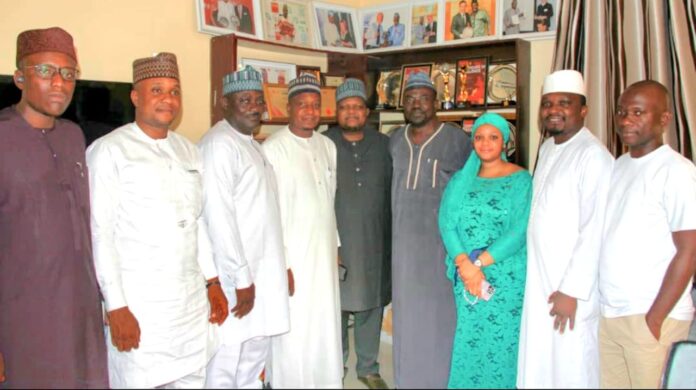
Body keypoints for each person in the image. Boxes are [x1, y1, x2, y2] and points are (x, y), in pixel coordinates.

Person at [87, 52, 229, 388]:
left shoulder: (188, 151)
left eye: (175, 91)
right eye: (157, 90)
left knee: (193, 377)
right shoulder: (109, 151)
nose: (168, 98)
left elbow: (197, 223)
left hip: (189, 302)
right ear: (136, 96)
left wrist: (213, 281)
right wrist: (116, 306)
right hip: (141, 306)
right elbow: (100, 233)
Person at [0, 26, 108, 388]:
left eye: (68, 73)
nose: (59, 83)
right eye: (45, 71)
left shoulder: (73, 135)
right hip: (24, 316)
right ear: (19, 77)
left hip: (80, 310)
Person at [517, 70, 614, 388]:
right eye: (547, 103)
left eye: (564, 103)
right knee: (542, 362)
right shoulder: (548, 148)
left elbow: (594, 228)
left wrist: (572, 290)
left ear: (583, 110)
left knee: (570, 365)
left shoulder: (593, 156)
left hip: (569, 287)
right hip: (540, 280)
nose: (553, 110)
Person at [598, 80, 696, 388]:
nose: (626, 120)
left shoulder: (677, 171)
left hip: (652, 318)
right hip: (611, 314)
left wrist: (654, 319)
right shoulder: (619, 166)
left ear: (664, 119)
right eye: (621, 111)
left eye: (638, 112)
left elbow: (690, 251)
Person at [199, 66, 290, 389]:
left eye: (258, 100)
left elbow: (267, 215)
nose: (254, 107)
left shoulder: (251, 144)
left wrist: (284, 266)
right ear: (225, 105)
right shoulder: (218, 145)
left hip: (263, 273)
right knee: (227, 361)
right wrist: (240, 279)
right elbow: (218, 218)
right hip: (236, 280)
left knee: (254, 358)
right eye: (244, 100)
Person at [390, 72, 472, 388]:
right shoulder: (395, 140)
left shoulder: (458, 141)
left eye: (424, 98)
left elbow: (473, 189)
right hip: (402, 248)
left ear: (435, 102)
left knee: (439, 320)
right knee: (407, 320)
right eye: (410, 98)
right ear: (402, 104)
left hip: (442, 249)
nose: (417, 104)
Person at [439, 113, 531, 388]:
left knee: (502, 344)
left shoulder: (521, 179)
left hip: (505, 278)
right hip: (466, 276)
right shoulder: (461, 180)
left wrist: (478, 266)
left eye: (493, 137)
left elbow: (519, 230)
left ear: (504, 142)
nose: (485, 143)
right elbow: (446, 223)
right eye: (479, 137)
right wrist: (464, 264)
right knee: (470, 340)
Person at [263, 75, 342, 388]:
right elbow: (270, 213)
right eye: (302, 105)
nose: (310, 111)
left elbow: (329, 202)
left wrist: (335, 247)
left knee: (324, 321)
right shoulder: (273, 149)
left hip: (322, 254)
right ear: (288, 108)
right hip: (292, 256)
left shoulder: (327, 146)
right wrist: (281, 263)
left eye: (315, 105)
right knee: (295, 326)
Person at [324, 79, 392, 390]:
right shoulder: (322, 143)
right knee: (334, 307)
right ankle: (334, 366)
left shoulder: (383, 144)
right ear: (336, 111)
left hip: (374, 239)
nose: (351, 112)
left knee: (371, 304)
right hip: (335, 241)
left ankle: (368, 367)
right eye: (344, 107)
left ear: (366, 111)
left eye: (357, 106)